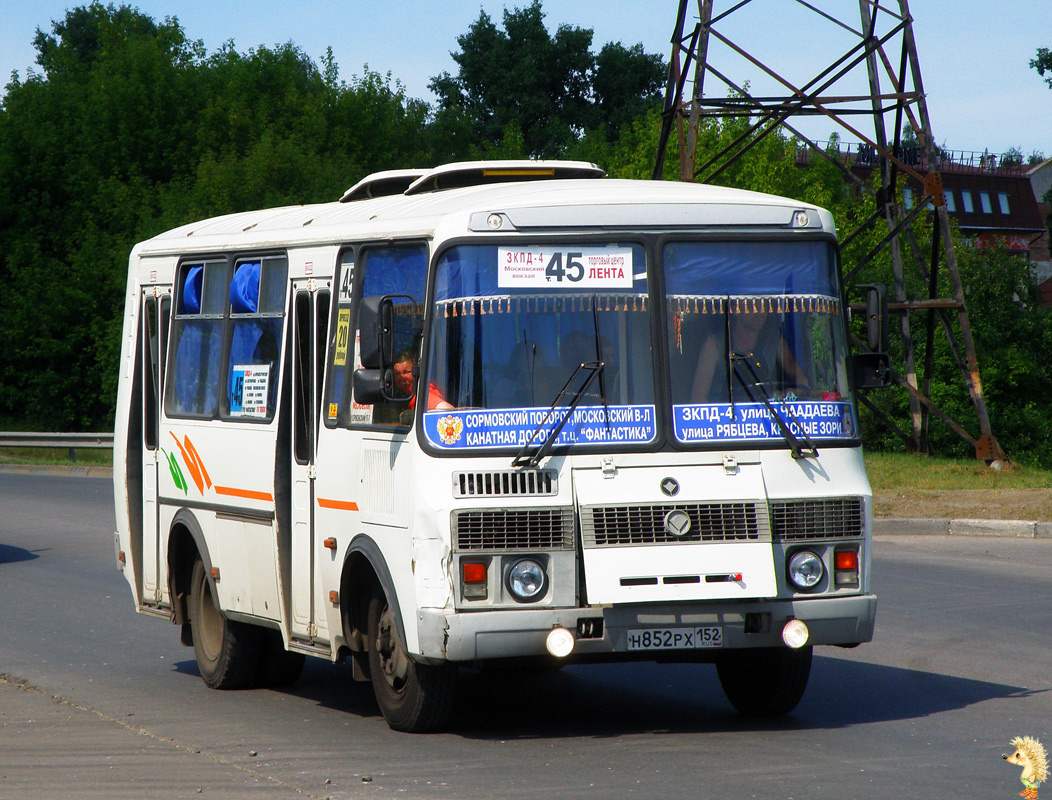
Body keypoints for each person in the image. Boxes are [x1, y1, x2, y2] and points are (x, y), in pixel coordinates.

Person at [690, 308, 807, 402]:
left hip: (768, 422)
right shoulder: (715, 345)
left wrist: (790, 393)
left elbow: (802, 382)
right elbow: (698, 399)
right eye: (751, 305)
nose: (760, 311)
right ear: (735, 310)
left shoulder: (775, 342)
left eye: (763, 305)